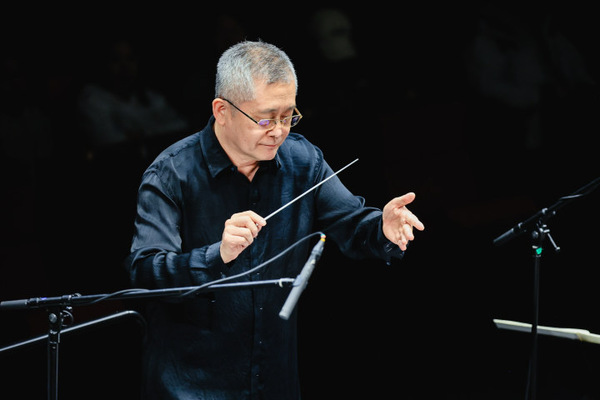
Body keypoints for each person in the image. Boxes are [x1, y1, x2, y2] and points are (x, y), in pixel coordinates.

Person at [125, 40, 424, 400]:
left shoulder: (303, 161)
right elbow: (145, 271)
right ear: (222, 111)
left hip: (274, 380)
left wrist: (383, 228)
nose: (279, 131)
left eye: (288, 116)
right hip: (191, 385)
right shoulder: (171, 174)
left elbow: (354, 225)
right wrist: (216, 254)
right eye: (266, 118)